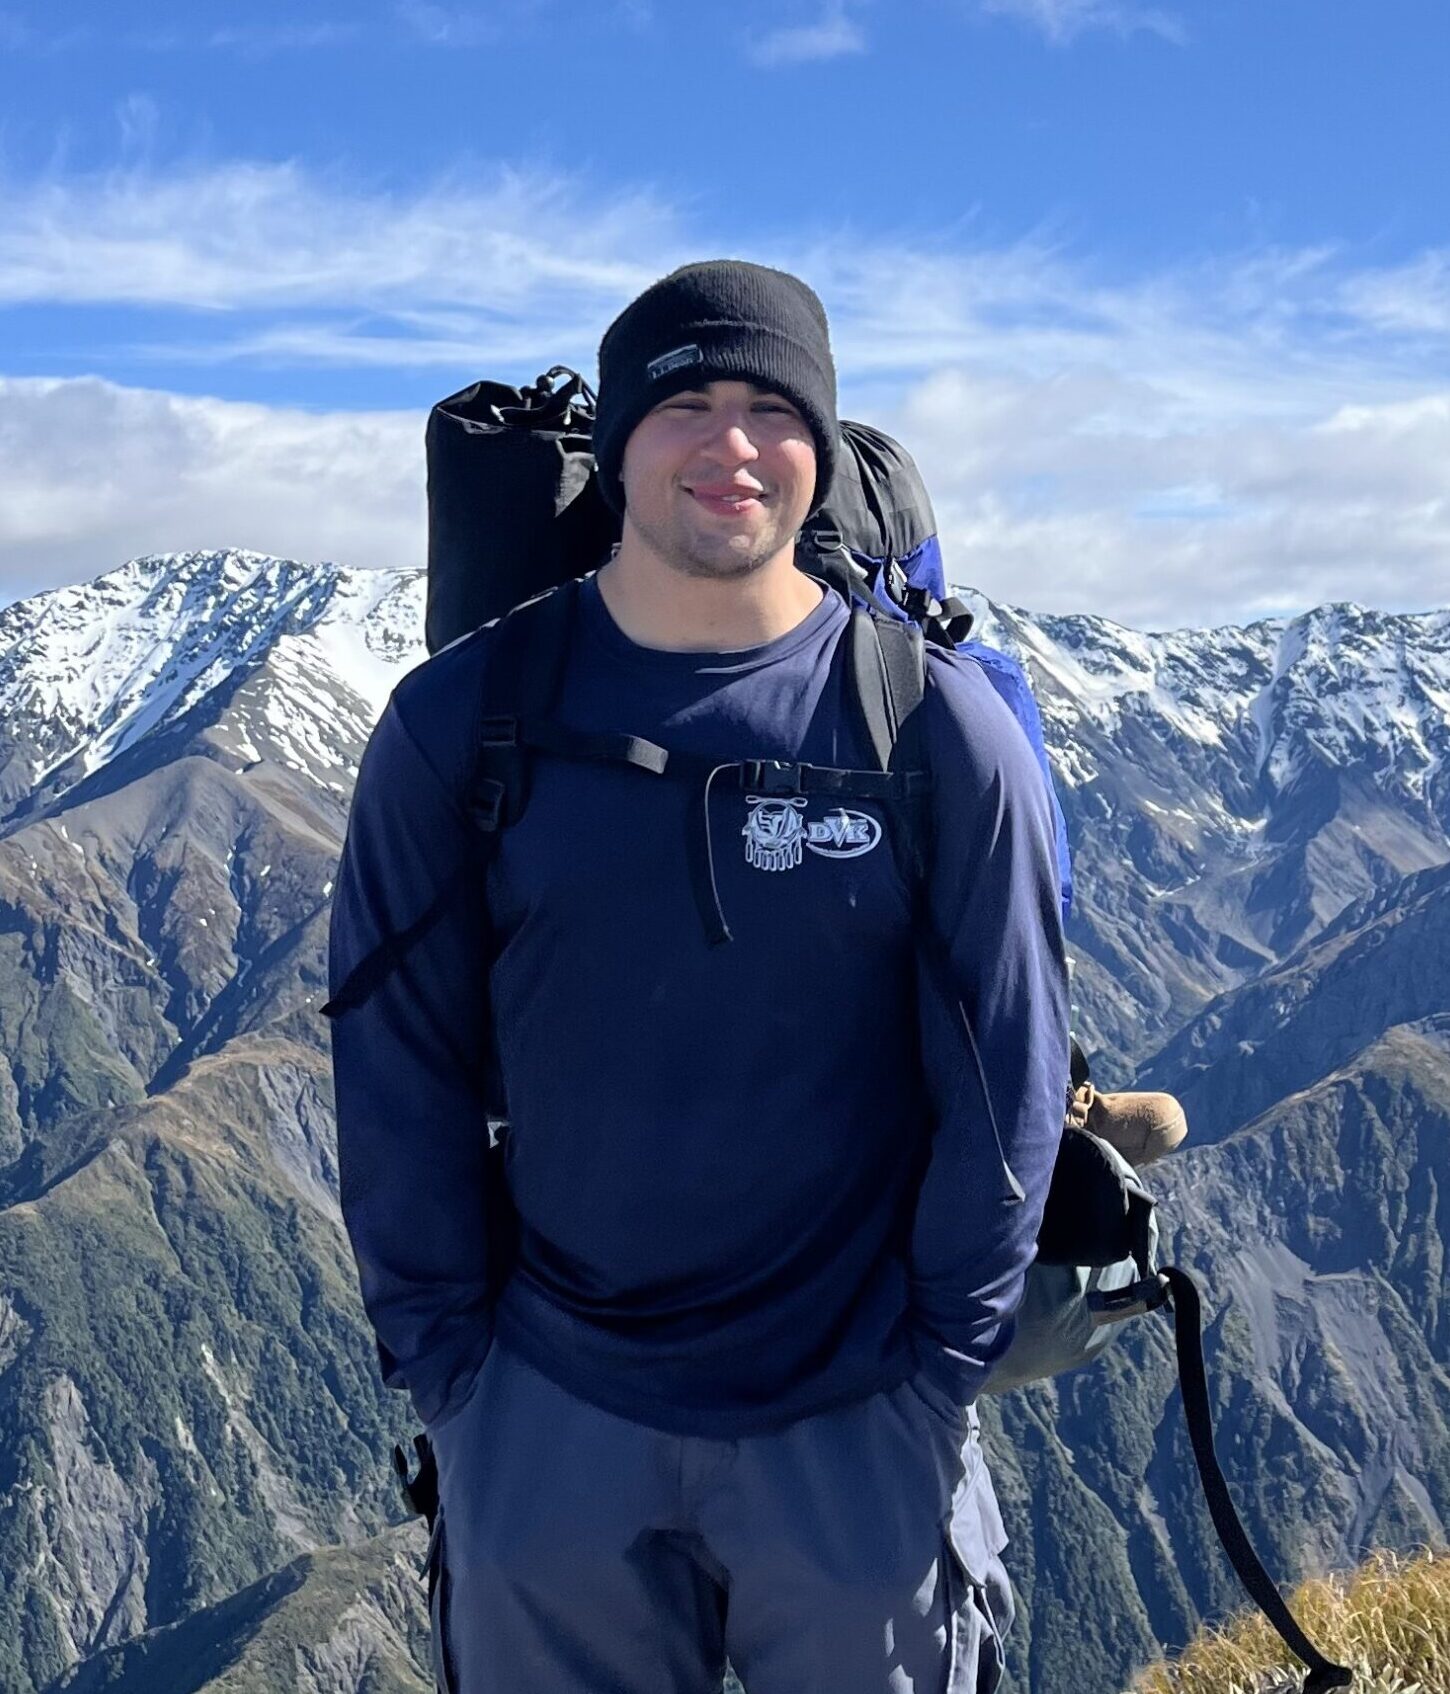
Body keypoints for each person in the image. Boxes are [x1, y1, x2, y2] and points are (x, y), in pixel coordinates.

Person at [327, 259, 1070, 1693]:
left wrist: (932, 1377)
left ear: (822, 446)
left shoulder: (933, 730)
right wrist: (457, 1382)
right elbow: (393, 1064)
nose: (730, 442)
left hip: (860, 1419)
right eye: (685, 403)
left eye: (768, 407)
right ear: (612, 442)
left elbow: (1007, 1082)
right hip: (548, 1415)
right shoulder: (459, 724)